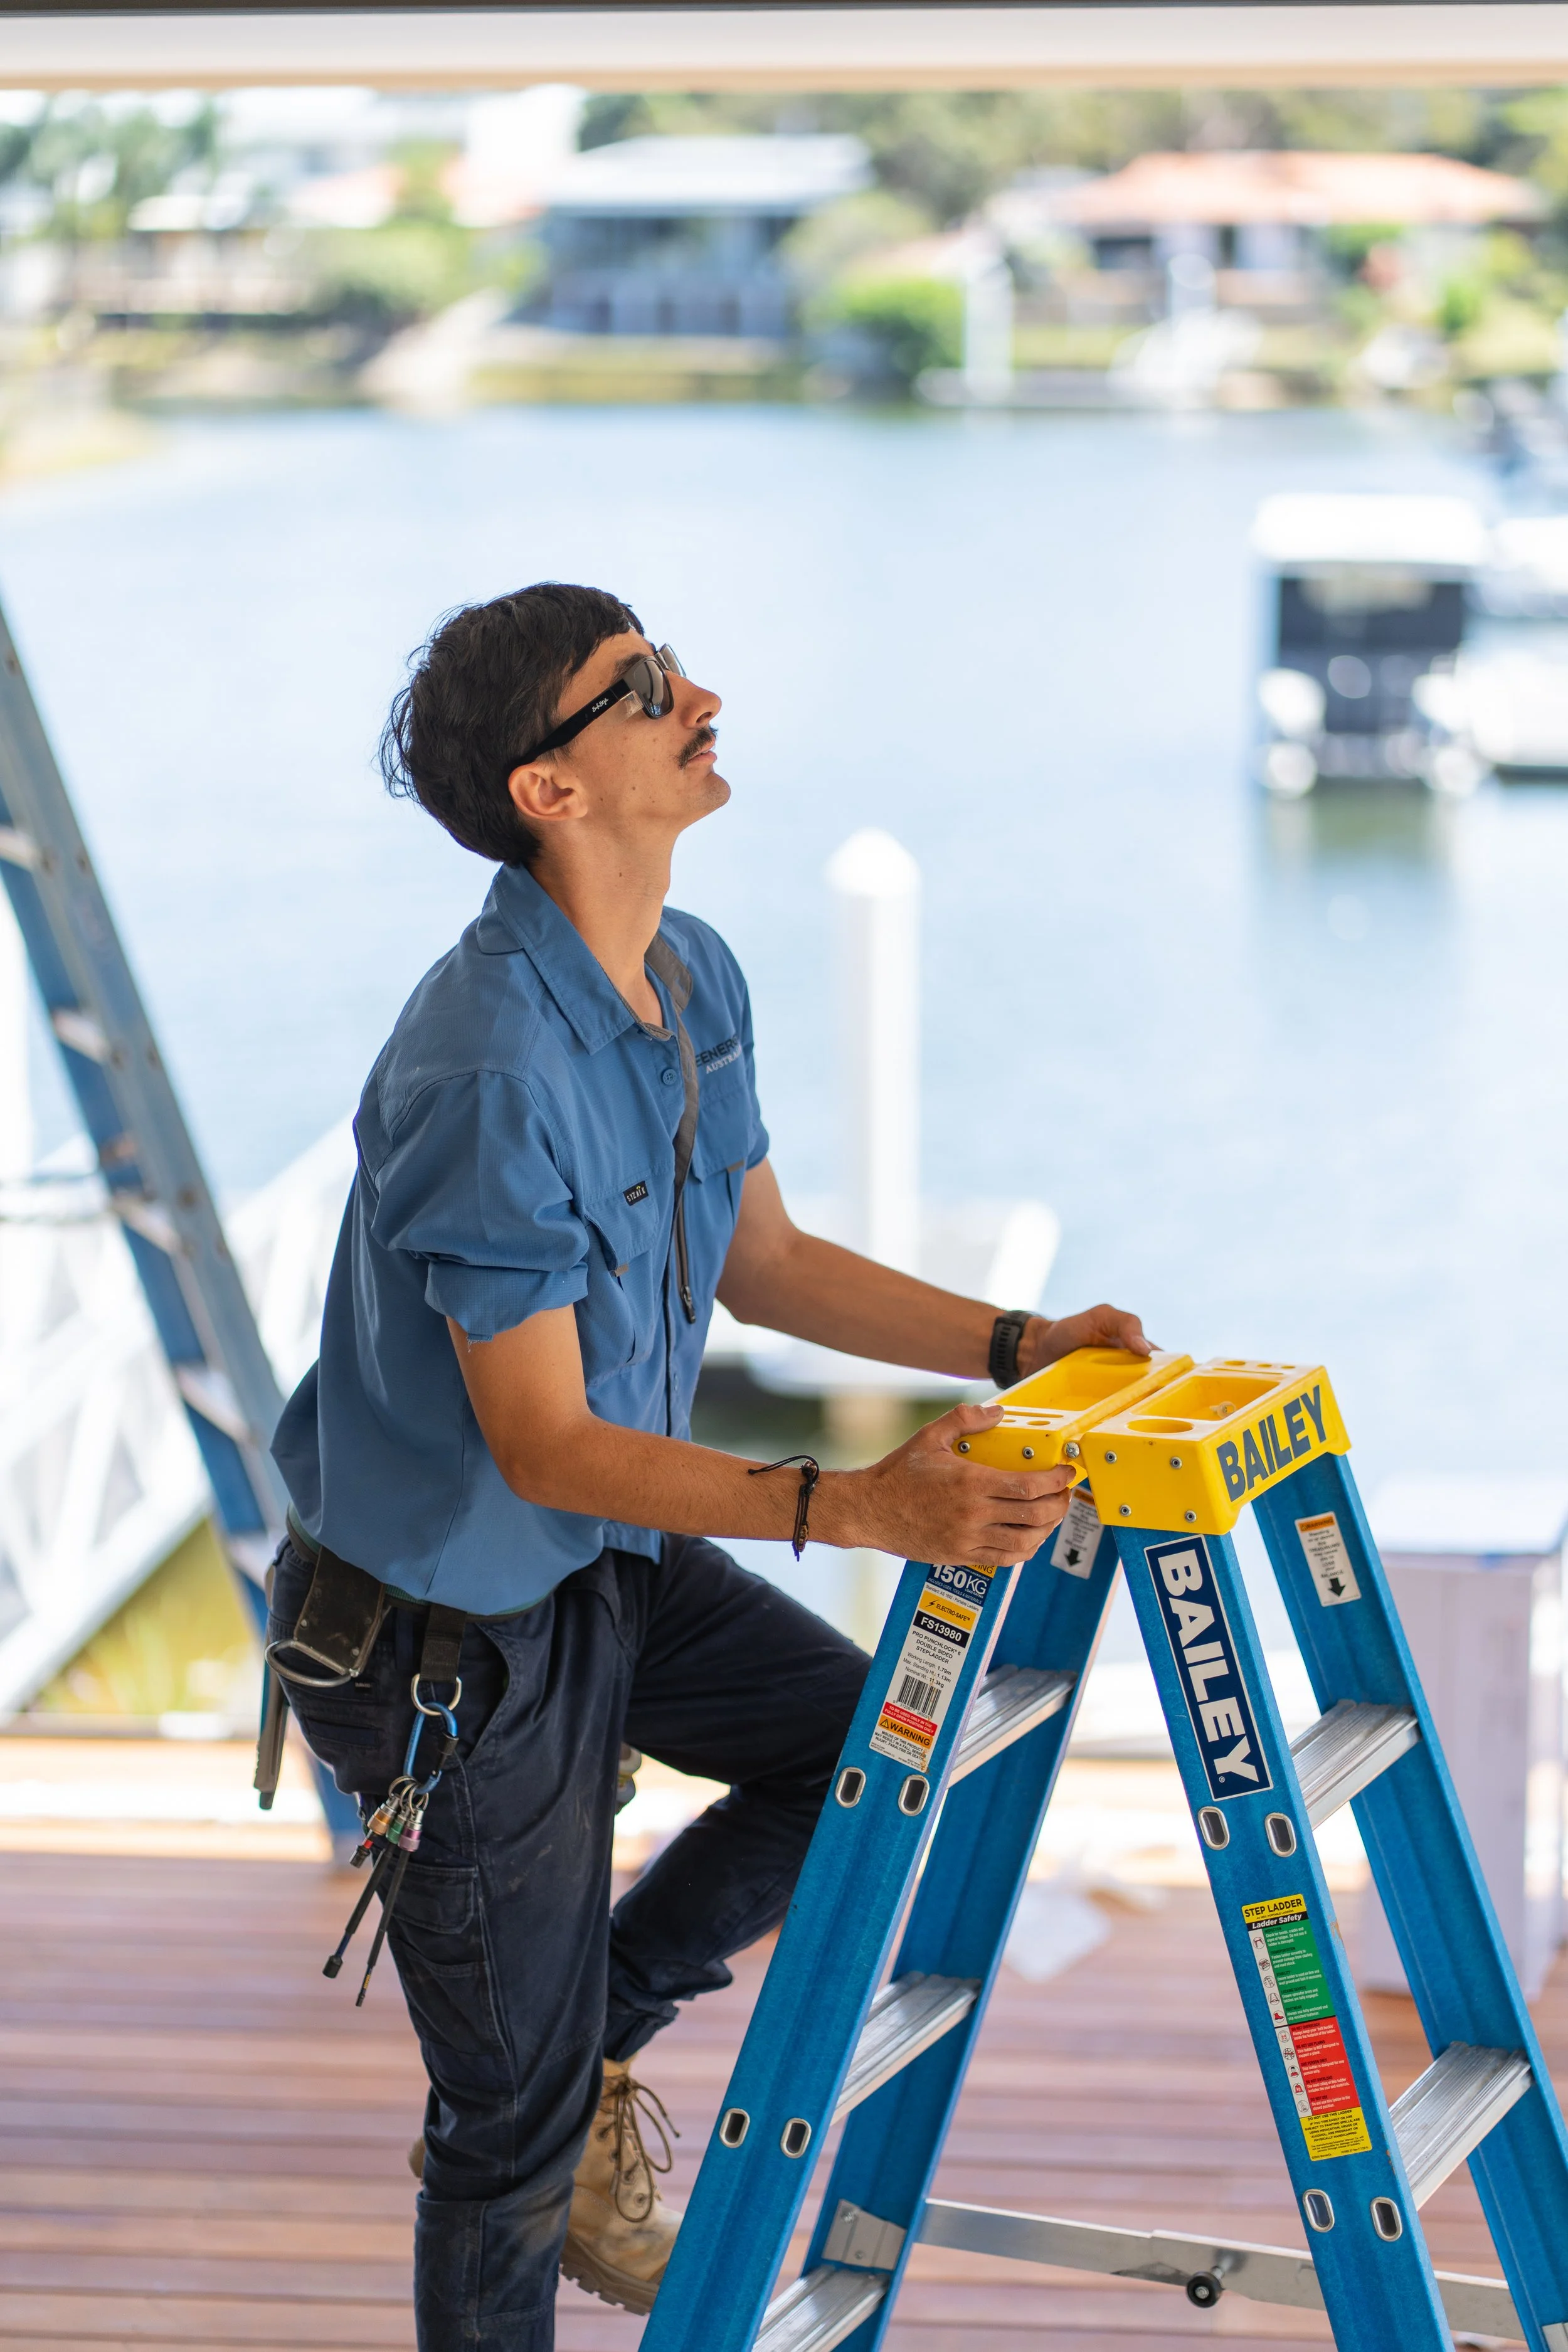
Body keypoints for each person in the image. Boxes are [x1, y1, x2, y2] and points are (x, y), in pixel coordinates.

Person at [265, 581, 1148, 2352]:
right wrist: (856, 1506)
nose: (701, 698)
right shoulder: (488, 1065)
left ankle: (589, 2018)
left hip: (597, 1562)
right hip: (444, 1638)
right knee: (500, 2144)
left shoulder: (688, 973)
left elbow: (766, 1264)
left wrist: (1011, 1343)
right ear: (551, 790)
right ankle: (548, 2067)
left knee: (853, 1751)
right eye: (641, 688)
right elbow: (542, 1436)